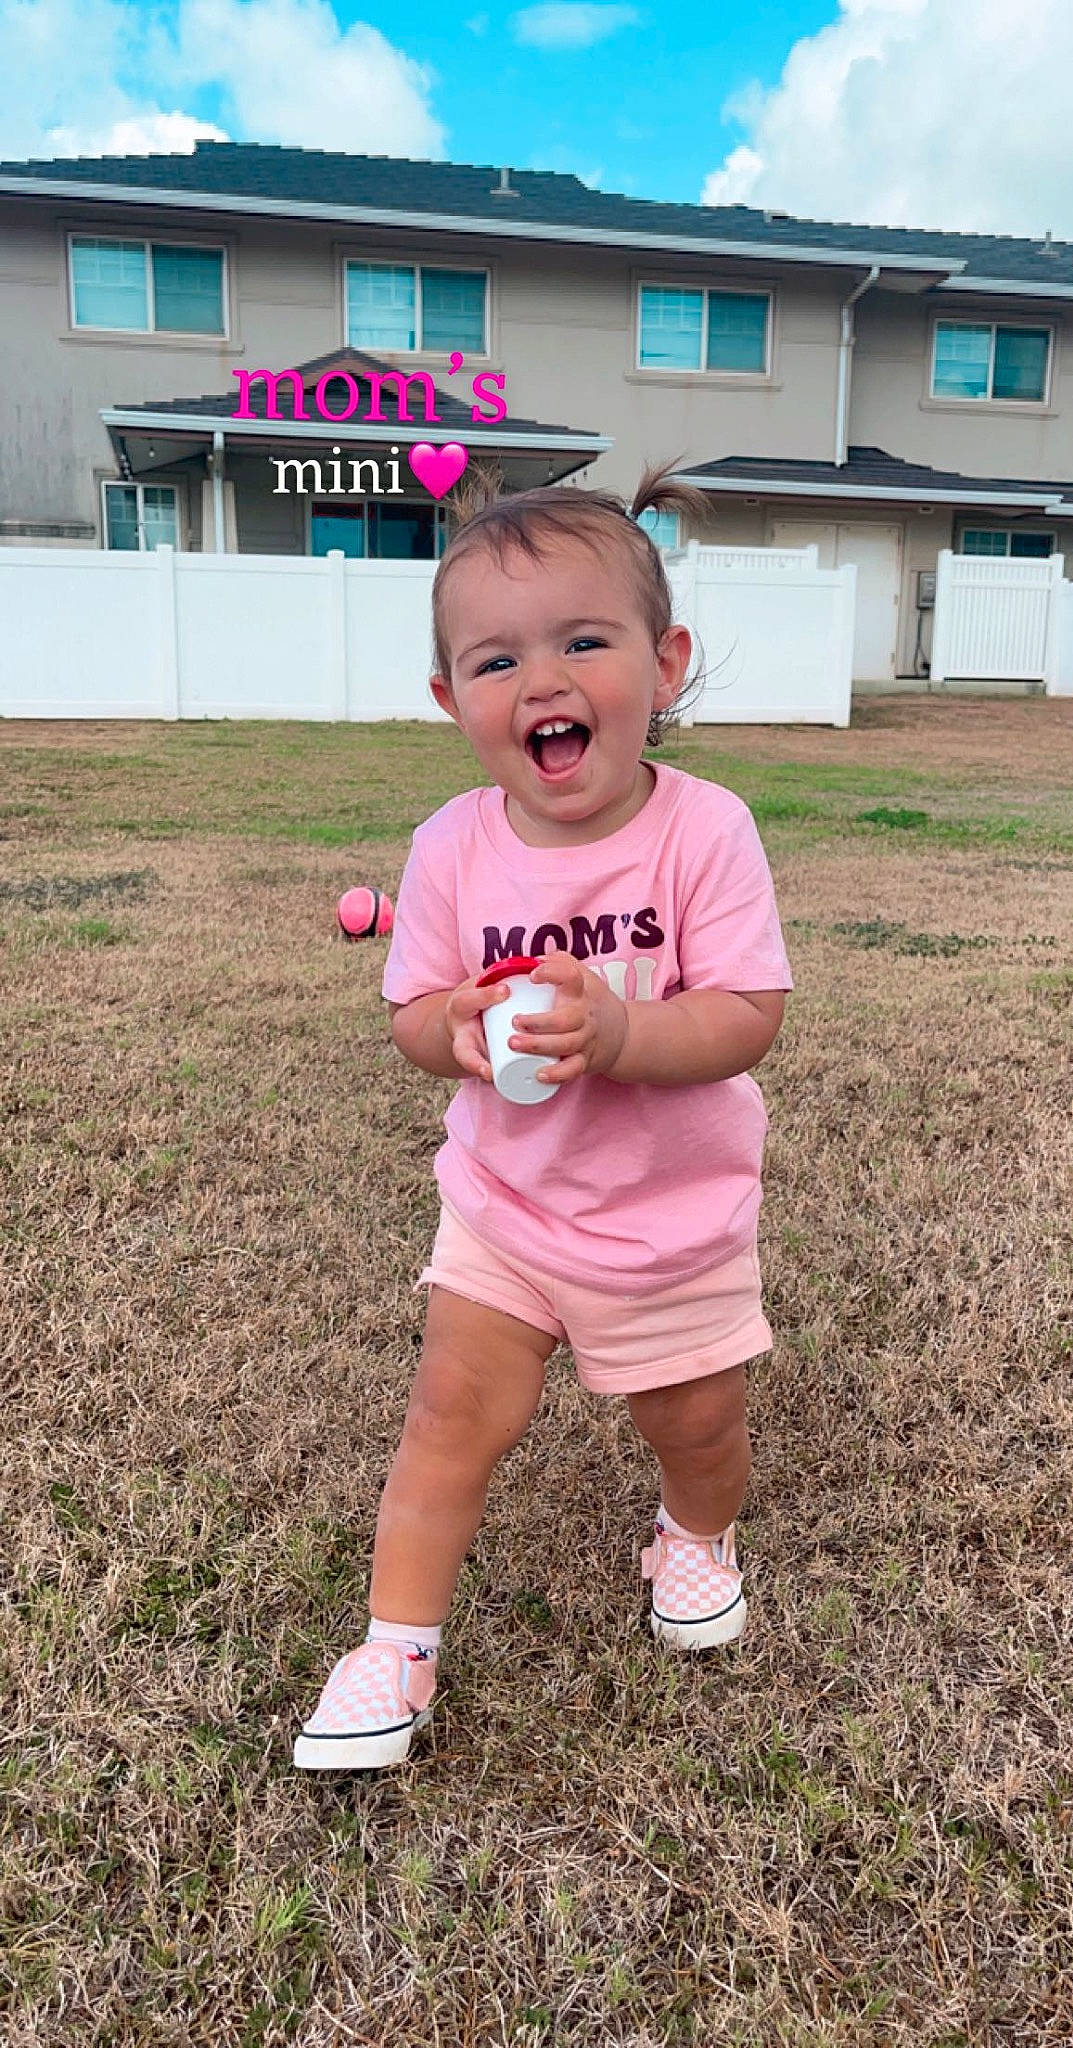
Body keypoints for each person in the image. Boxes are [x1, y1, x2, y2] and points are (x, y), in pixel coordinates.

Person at [293, 461, 793, 1772]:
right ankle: (396, 1643)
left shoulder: (705, 832)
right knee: (448, 1415)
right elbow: (413, 1016)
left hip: (670, 1219)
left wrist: (622, 1033)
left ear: (664, 664)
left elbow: (748, 1012)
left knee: (698, 1427)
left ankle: (694, 1535)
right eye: (498, 660)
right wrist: (452, 1028)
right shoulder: (452, 846)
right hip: (506, 1210)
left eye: (584, 642)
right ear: (451, 699)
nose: (543, 682)